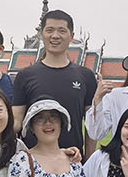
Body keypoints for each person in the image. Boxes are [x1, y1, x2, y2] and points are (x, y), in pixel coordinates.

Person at [12, 10, 98, 155]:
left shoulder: (86, 76)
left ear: (71, 36)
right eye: (49, 30)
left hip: (72, 160)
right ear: (42, 34)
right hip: (33, 163)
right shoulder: (25, 76)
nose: (55, 36)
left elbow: (91, 126)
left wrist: (88, 162)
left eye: (62, 31)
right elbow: (16, 122)